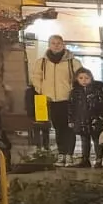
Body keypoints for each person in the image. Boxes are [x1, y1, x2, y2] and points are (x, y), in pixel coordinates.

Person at [34, 35, 79, 163]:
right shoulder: (41, 62)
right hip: (51, 100)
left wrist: (73, 91)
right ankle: (61, 153)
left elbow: (80, 77)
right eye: (53, 43)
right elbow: (36, 78)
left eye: (59, 43)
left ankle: (69, 154)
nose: (56, 45)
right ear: (49, 45)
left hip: (68, 99)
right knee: (58, 127)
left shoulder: (72, 62)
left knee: (69, 127)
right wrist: (42, 91)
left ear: (63, 44)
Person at [67, 67, 103, 169]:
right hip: (81, 120)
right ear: (77, 79)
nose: (84, 80)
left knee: (97, 140)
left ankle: (99, 160)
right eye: (81, 78)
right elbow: (71, 107)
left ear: (91, 78)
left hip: (95, 120)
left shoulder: (97, 91)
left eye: (86, 78)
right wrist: (71, 120)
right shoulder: (75, 92)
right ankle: (85, 160)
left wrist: (101, 117)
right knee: (84, 140)